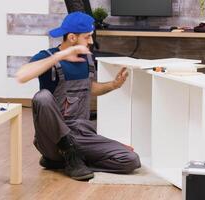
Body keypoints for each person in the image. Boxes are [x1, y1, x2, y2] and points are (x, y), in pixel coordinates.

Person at [16, 11, 141, 181]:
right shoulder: (47, 57)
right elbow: (21, 75)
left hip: (82, 136)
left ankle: (69, 161)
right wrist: (59, 56)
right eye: (87, 37)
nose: (91, 41)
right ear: (73, 38)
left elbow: (88, 89)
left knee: (131, 160)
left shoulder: (87, 60)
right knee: (42, 97)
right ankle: (68, 154)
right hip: (52, 139)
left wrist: (113, 85)